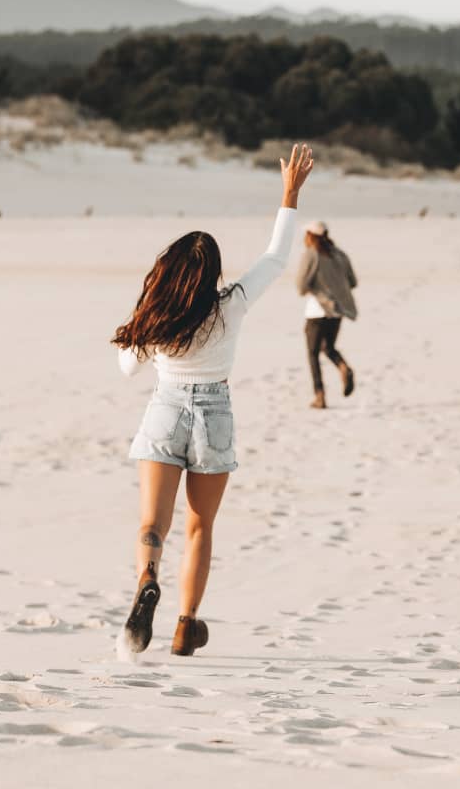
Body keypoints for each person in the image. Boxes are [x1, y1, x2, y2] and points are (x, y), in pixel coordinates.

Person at [112, 143, 314, 657]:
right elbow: (275, 257)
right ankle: (186, 624)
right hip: (214, 416)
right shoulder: (233, 306)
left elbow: (125, 367)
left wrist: (147, 323)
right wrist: (289, 193)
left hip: (164, 408)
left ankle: (147, 578)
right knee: (201, 525)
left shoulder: (159, 321)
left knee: (152, 524)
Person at [295, 220, 357, 409]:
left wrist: (316, 288)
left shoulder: (311, 254)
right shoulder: (340, 255)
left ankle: (320, 396)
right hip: (338, 310)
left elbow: (301, 286)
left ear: (311, 236)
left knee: (313, 354)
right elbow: (352, 282)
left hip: (317, 310)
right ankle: (343, 367)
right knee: (329, 348)